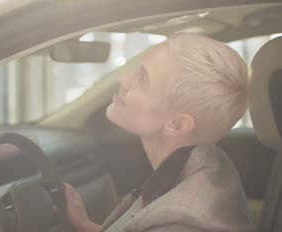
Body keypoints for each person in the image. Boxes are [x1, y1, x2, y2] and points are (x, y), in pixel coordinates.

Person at [64, 33, 253, 232]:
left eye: (143, 79)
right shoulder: (212, 162)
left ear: (177, 124)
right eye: (138, 69)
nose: (123, 79)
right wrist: (85, 225)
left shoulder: (179, 223)